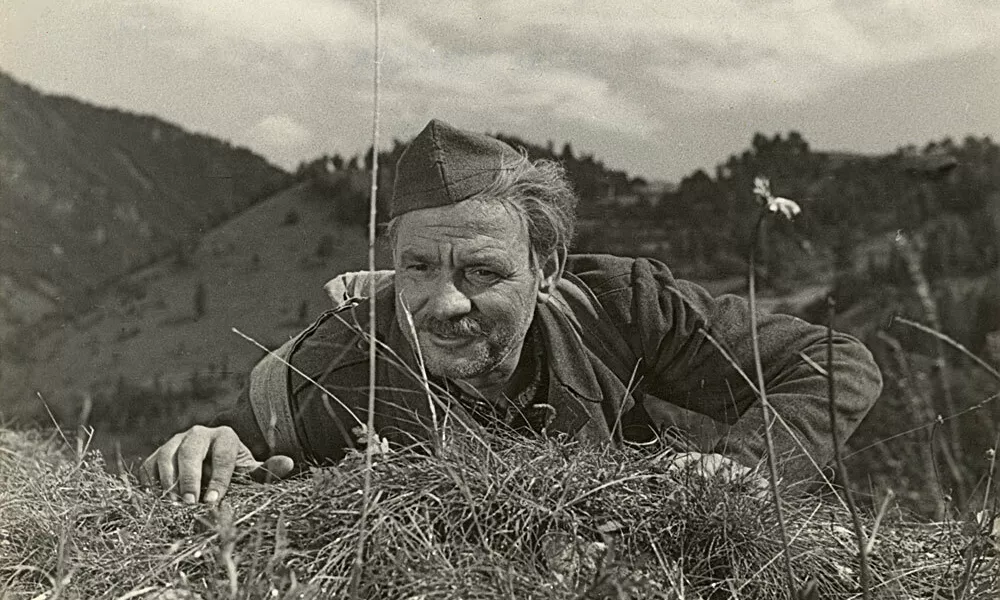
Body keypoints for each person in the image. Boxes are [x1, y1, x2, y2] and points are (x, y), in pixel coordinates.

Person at [140, 119, 882, 504]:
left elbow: (835, 364)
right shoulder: (333, 372)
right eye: (418, 268)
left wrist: (742, 469)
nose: (445, 303)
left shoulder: (621, 306)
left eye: (483, 271)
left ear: (548, 267)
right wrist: (205, 447)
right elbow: (233, 445)